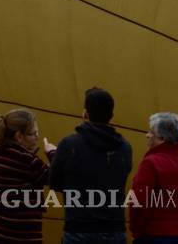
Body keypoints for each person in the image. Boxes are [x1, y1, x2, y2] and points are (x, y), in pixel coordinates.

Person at [48, 88, 132, 244]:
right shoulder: (125, 148)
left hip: (79, 228)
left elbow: (55, 183)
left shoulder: (69, 144)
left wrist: (53, 156)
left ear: (85, 114)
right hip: (114, 229)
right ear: (111, 116)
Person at [0, 109, 53, 244]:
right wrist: (53, 154)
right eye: (33, 133)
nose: (37, 136)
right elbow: (53, 177)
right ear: (19, 136)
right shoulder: (26, 160)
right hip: (21, 234)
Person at [130, 111, 178, 244]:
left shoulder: (150, 163)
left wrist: (136, 231)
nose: (147, 135)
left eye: (151, 132)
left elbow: (139, 200)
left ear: (161, 137)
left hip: (153, 235)